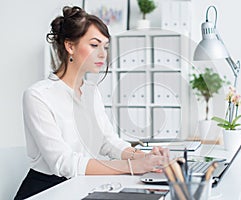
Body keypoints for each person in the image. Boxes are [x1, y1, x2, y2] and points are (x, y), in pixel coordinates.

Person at [14, 6, 169, 200]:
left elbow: (108, 141)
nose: (103, 54)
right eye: (95, 45)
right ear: (70, 46)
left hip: (82, 184)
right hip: (47, 191)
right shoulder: (38, 96)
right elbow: (64, 163)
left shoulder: (91, 92)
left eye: (105, 47)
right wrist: (132, 167)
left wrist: (145, 157)